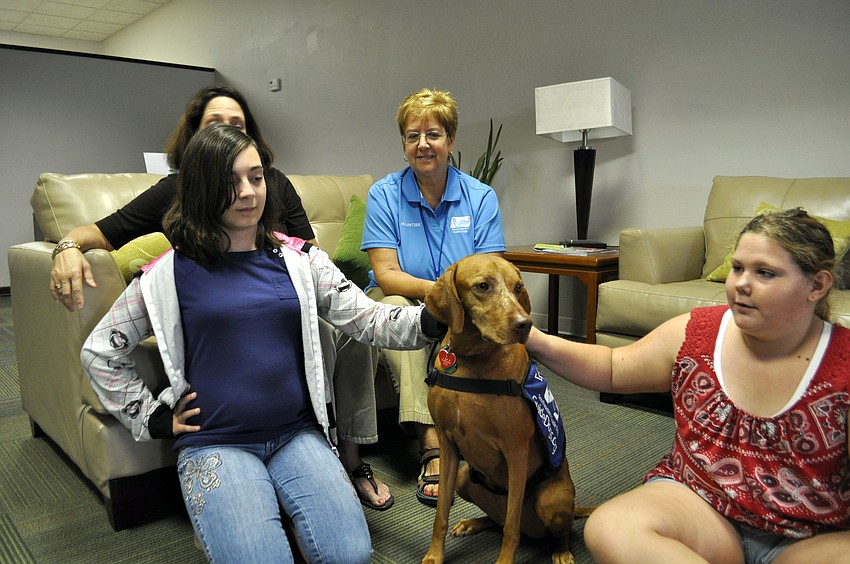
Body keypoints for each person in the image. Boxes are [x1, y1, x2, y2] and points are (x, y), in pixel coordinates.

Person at [80, 125, 444, 563]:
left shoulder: (300, 259)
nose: (249, 192)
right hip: (215, 442)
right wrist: (154, 418)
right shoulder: (166, 274)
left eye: (256, 177)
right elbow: (100, 350)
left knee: (351, 555)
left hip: (298, 435)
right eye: (230, 181)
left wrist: (432, 318)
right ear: (201, 188)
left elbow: (368, 319)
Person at [49, 85, 392, 510]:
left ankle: (345, 457)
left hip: (287, 296)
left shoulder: (276, 184)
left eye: (238, 126)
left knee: (337, 330)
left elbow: (309, 255)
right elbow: (100, 234)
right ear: (194, 136)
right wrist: (66, 247)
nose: (247, 192)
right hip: (212, 313)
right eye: (216, 124)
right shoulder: (173, 199)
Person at [524, 207, 850, 562]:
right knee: (611, 528)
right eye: (738, 268)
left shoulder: (842, 363)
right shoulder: (697, 332)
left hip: (809, 534)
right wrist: (532, 337)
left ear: (817, 285)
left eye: (765, 273)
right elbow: (614, 367)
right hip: (702, 505)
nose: (741, 283)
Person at [360, 88, 506, 505]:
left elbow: (490, 273)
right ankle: (431, 444)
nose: (423, 144)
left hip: (465, 306)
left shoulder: (480, 197)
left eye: (434, 134)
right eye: (412, 135)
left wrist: (455, 303)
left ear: (451, 140)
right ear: (404, 144)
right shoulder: (384, 195)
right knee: (394, 310)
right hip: (409, 299)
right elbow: (387, 276)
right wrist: (439, 296)